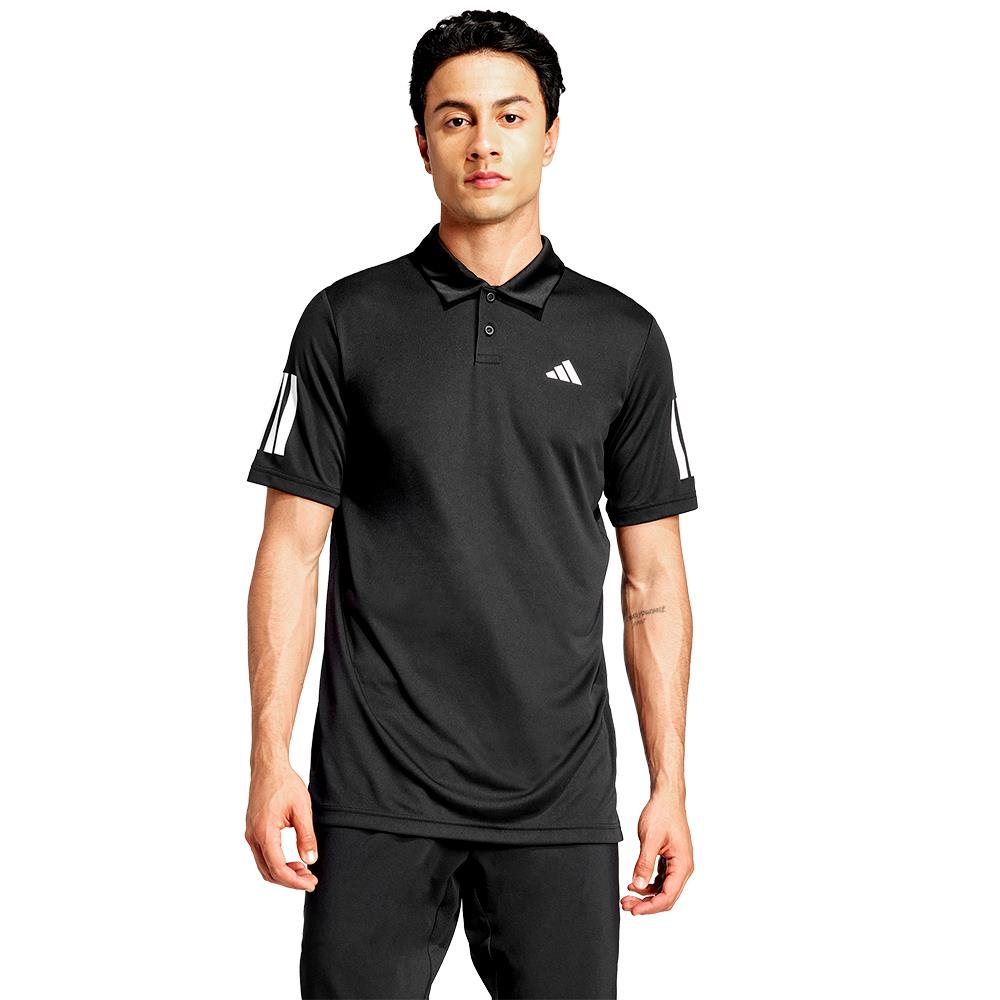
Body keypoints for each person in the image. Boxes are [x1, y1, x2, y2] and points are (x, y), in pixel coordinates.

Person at [245, 10, 698, 999]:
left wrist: (670, 783)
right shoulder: (346, 321)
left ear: (552, 133)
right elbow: (290, 551)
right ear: (421, 141)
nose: (483, 142)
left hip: (558, 797)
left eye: (509, 115)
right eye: (454, 119)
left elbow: (654, 581)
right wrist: (268, 758)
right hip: (374, 790)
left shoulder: (624, 338)